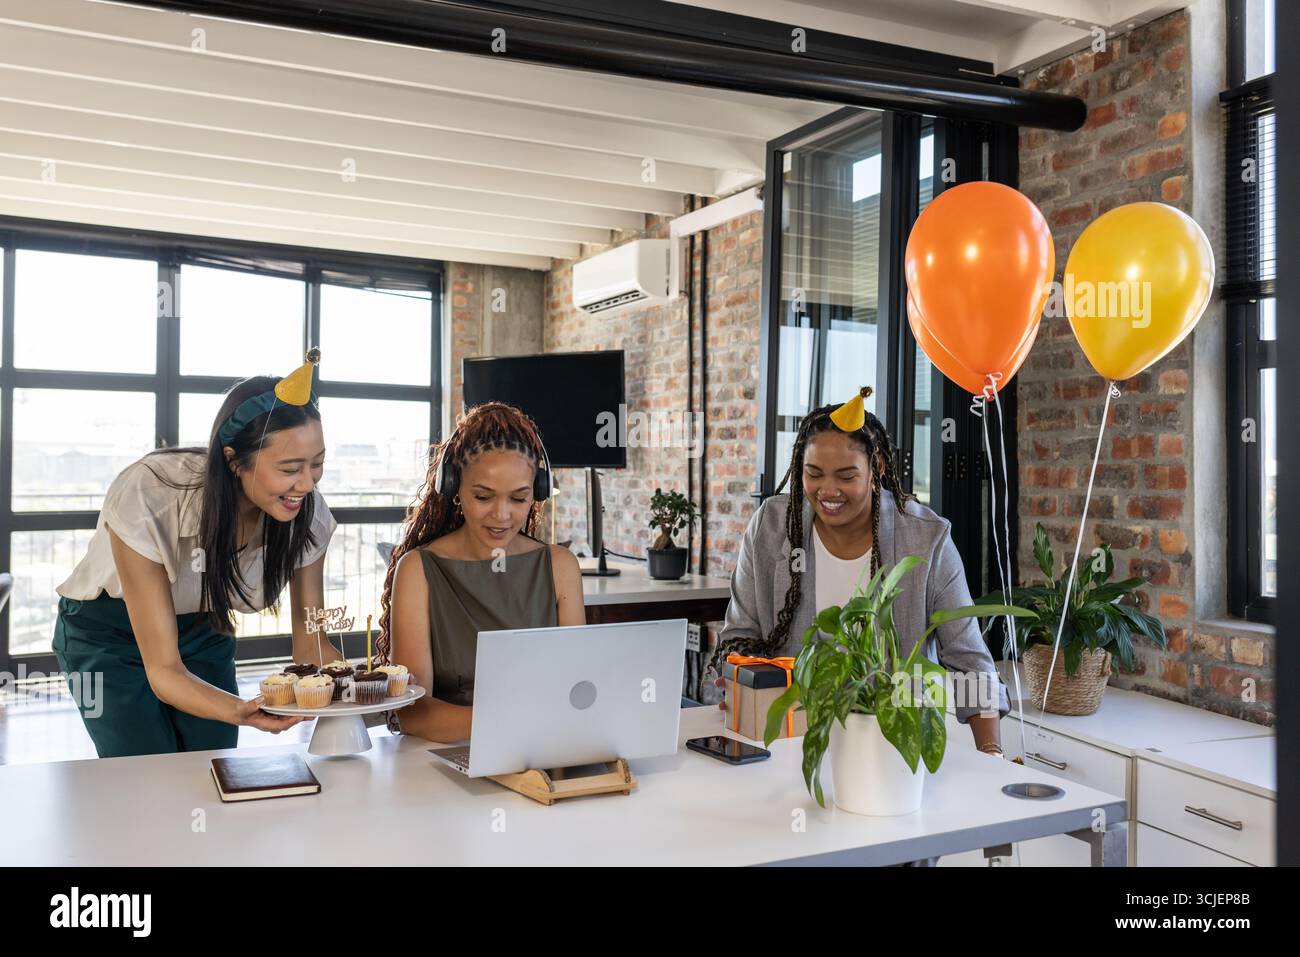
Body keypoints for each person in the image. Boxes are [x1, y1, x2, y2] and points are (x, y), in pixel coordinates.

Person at [712, 386, 1009, 865]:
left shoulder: (926, 540)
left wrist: (991, 757)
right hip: (788, 762)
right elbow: (736, 638)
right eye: (813, 473)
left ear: (878, 469)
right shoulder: (770, 528)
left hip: (889, 763)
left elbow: (971, 664)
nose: (827, 491)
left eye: (846, 476)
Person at [53, 353, 339, 757]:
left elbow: (312, 644)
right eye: (290, 469)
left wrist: (362, 686)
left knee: (211, 762)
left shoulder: (308, 514)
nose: (307, 484)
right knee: (144, 767)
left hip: (202, 628)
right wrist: (241, 712)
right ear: (233, 459)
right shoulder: (150, 493)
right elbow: (164, 671)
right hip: (105, 635)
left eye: (317, 464)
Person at [377, 401, 585, 743]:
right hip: (450, 753)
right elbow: (412, 712)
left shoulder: (560, 566)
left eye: (518, 499)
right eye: (484, 497)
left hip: (545, 749)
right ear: (454, 487)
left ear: (536, 493)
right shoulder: (418, 570)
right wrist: (518, 721)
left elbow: (577, 687)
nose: (501, 515)